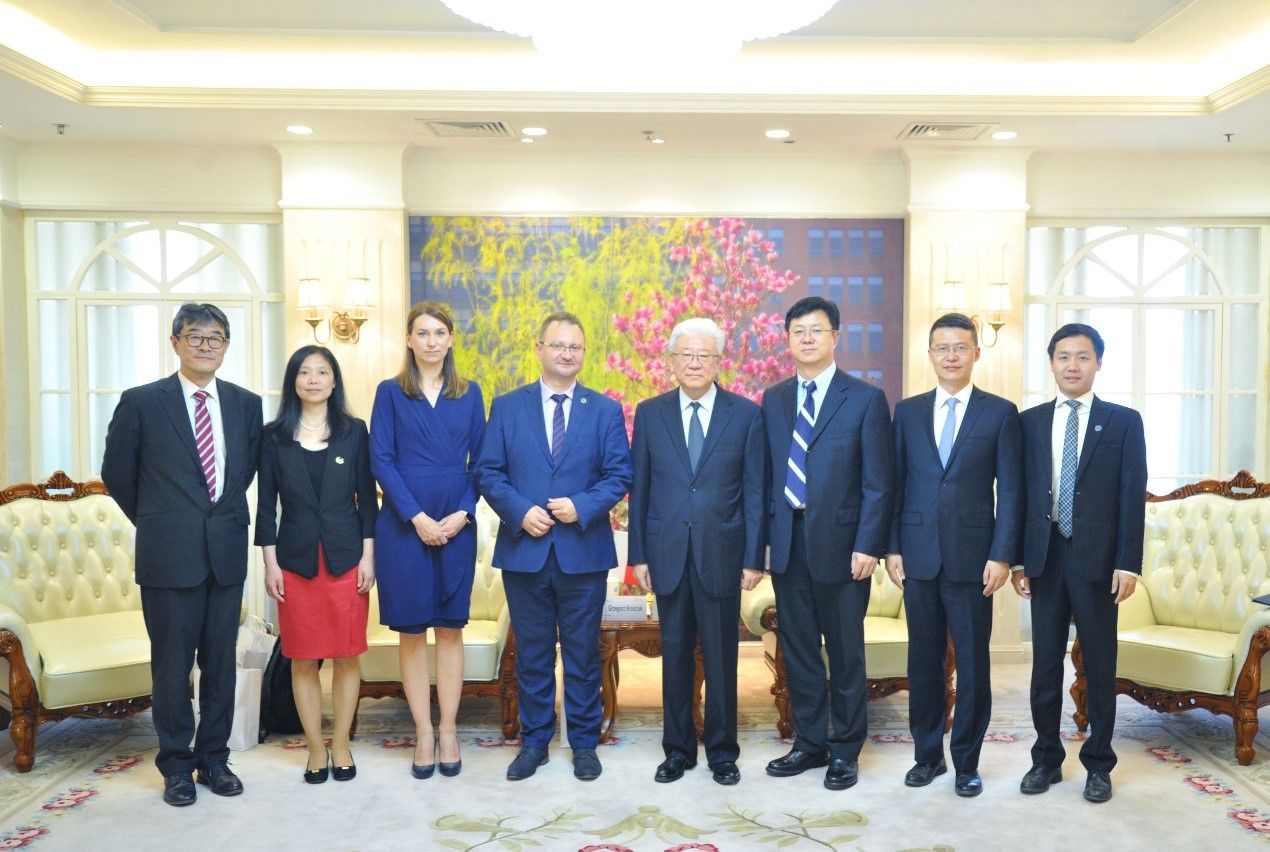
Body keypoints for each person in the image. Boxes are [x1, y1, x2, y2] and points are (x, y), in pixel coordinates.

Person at [101, 302, 262, 807]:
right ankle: (176, 765)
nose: (205, 346)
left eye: (215, 338)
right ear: (175, 343)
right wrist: (160, 519)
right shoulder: (142, 402)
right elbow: (117, 474)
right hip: (169, 554)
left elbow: (242, 473)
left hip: (225, 551)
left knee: (220, 664)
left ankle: (214, 758)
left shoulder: (246, 404)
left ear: (226, 346)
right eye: (195, 337)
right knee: (171, 668)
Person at [475, 311, 632, 782]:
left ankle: (583, 743)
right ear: (539, 349)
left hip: (583, 552)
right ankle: (535, 742)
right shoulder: (508, 407)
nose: (567, 353)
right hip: (525, 550)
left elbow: (619, 476)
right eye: (558, 345)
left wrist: (581, 506)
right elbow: (488, 472)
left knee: (584, 655)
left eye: (575, 347)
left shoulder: (603, 410)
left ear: (583, 354)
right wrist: (520, 510)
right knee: (533, 654)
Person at [885, 313, 1023, 797]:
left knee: (973, 663)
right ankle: (927, 757)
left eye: (960, 347)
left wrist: (1002, 555)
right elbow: (895, 485)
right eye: (942, 347)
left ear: (976, 354)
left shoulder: (1000, 413)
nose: (951, 356)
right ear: (929, 354)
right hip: (917, 556)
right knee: (923, 663)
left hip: (973, 559)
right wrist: (892, 547)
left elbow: (1012, 491)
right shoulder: (907, 412)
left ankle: (967, 762)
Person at [761, 295, 893, 791]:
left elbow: (879, 482)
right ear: (788, 341)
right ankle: (809, 743)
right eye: (798, 331)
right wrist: (763, 544)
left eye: (817, 330)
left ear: (836, 337)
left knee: (845, 654)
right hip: (788, 544)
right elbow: (767, 477)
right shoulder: (774, 399)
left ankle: (846, 750)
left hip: (844, 547)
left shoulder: (864, 399)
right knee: (798, 653)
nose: (808, 339)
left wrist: (869, 545)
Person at [1013, 322, 1146, 804]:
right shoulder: (1028, 422)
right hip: (1045, 555)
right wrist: (1017, 561)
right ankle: (1045, 759)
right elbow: (1019, 494)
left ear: (1098, 363)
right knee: (1044, 665)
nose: (1073, 365)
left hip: (1099, 561)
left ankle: (1099, 765)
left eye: (1083, 357)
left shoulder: (1123, 421)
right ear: (1051, 363)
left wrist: (1128, 563)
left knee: (1100, 665)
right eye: (1064, 357)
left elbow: (1132, 495)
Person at [628, 318, 765, 787]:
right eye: (685, 355)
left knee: (722, 659)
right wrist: (638, 555)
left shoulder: (745, 415)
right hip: (666, 553)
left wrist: (753, 558)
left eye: (703, 355)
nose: (694, 363)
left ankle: (723, 753)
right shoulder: (651, 413)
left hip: (722, 553)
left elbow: (754, 492)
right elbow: (640, 489)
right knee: (675, 656)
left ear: (718, 361)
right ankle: (678, 750)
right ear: (671, 360)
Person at [371, 301, 485, 779]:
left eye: (440, 332)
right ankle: (422, 732)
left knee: (451, 629)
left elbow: (482, 461)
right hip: (403, 527)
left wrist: (462, 513)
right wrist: (416, 517)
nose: (432, 341)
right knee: (413, 631)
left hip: (457, 523)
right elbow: (380, 460)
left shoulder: (470, 393)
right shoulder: (389, 392)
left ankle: (450, 730)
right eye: (423, 332)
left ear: (451, 339)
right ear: (409, 340)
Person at [256, 345, 377, 784]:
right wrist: (270, 564)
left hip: (346, 560)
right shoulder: (273, 436)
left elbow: (368, 502)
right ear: (293, 381)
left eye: (321, 372)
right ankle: (313, 748)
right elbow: (265, 507)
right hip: (295, 563)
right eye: (304, 372)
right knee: (303, 658)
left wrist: (369, 557)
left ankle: (341, 744)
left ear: (333, 380)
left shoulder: (354, 431)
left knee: (346, 655)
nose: (313, 380)